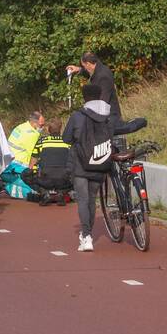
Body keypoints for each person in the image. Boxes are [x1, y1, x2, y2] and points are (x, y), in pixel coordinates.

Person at [63, 84, 113, 252]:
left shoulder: (77, 116)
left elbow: (66, 138)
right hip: (99, 163)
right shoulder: (107, 114)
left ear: (84, 97)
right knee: (92, 200)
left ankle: (87, 236)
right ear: (99, 95)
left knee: (83, 200)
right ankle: (88, 233)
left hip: (80, 165)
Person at [22, 118, 71, 206]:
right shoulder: (67, 142)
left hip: (45, 180)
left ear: (48, 129)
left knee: (25, 174)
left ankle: (44, 193)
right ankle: (61, 193)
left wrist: (32, 172)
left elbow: (33, 161)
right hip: (63, 180)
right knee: (78, 174)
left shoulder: (42, 142)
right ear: (61, 129)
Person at [66, 52, 121, 126]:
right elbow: (90, 73)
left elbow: (102, 101)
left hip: (109, 118)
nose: (84, 68)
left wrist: (88, 112)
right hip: (104, 117)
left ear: (88, 63)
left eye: (84, 66)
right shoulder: (99, 68)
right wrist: (78, 69)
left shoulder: (103, 77)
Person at [1, 111, 45, 199]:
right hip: (18, 167)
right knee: (35, 188)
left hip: (8, 166)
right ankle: (7, 187)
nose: (43, 127)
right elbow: (35, 156)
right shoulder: (32, 134)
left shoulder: (22, 126)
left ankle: (6, 185)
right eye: (41, 125)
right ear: (34, 123)